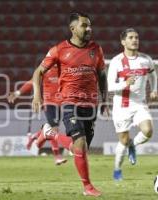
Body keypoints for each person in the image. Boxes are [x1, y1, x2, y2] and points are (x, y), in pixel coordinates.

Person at [32, 12, 107, 197]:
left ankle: (50, 133)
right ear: (73, 29)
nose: (89, 28)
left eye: (89, 25)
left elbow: (102, 75)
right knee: (80, 144)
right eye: (84, 25)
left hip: (90, 104)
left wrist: (104, 99)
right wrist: (36, 95)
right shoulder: (59, 49)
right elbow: (38, 72)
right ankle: (88, 187)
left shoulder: (96, 49)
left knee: (79, 149)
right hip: (69, 102)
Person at [107, 28, 158, 181]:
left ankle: (133, 146)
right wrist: (125, 83)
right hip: (121, 106)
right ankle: (117, 170)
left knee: (148, 130)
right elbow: (110, 87)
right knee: (123, 140)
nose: (135, 40)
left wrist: (154, 89)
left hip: (139, 104)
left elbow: (153, 74)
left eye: (136, 37)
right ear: (123, 42)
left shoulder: (145, 59)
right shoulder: (116, 62)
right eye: (130, 38)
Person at [7, 72, 72, 165]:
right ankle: (57, 157)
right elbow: (32, 81)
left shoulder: (63, 68)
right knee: (54, 129)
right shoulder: (46, 69)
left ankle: (34, 136)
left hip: (59, 104)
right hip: (49, 103)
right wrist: (18, 93)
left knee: (51, 130)